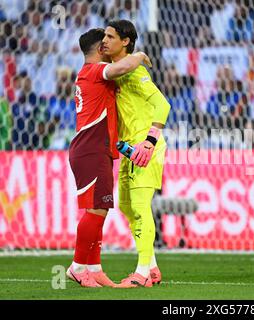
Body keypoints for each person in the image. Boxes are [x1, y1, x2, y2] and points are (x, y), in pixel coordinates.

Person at [66, 28, 152, 287]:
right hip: (91, 149)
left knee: (99, 210)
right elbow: (119, 69)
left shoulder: (86, 76)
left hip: (93, 149)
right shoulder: (93, 71)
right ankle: (77, 266)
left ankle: (94, 267)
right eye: (105, 43)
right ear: (100, 49)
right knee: (97, 210)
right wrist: (140, 55)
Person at [102, 20, 171, 288]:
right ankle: (152, 265)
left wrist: (150, 141)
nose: (105, 41)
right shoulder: (118, 71)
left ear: (126, 41)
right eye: (104, 36)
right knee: (126, 207)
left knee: (141, 208)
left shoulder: (135, 72)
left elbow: (162, 104)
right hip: (129, 148)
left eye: (110, 36)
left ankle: (142, 272)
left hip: (145, 147)